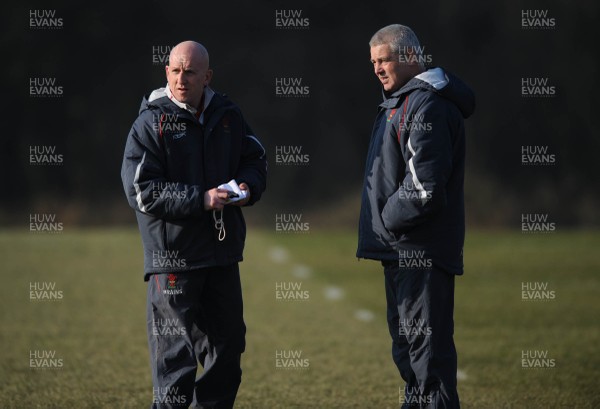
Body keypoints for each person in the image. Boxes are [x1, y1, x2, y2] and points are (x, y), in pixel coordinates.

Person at [121, 40, 267, 409]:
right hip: (173, 260)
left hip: (221, 255)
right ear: (166, 72)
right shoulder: (150, 122)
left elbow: (256, 159)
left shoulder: (229, 115)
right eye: (174, 70)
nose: (181, 78)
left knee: (228, 350)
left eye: (190, 72)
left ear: (208, 76)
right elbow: (141, 190)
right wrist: (201, 199)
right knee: (174, 362)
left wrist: (247, 186)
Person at [357, 25, 475, 408]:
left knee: (429, 357)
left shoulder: (427, 105)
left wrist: (387, 220)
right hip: (401, 251)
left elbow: (425, 187)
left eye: (384, 59)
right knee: (409, 351)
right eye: (373, 61)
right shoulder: (400, 100)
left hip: (420, 252)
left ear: (410, 57)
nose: (376, 68)